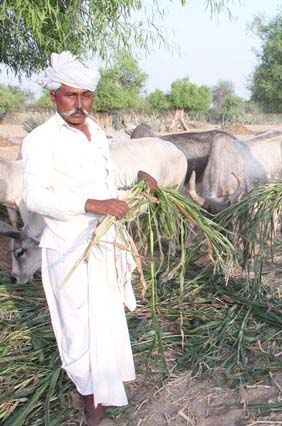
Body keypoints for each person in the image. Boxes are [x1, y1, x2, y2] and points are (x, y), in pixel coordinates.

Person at [22, 51, 159, 425]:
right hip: (69, 248)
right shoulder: (41, 140)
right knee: (79, 326)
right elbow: (34, 197)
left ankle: (106, 388)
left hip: (102, 243)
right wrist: (91, 204)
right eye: (71, 95)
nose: (79, 104)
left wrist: (136, 176)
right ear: (54, 96)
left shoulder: (95, 132)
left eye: (86, 95)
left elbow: (107, 174)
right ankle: (91, 406)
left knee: (105, 320)